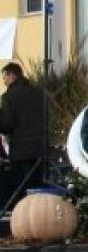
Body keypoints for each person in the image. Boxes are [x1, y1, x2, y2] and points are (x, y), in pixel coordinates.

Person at [0, 62, 46, 208]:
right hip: (41, 148)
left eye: (5, 77)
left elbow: (7, 124)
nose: (4, 81)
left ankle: (23, 216)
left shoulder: (9, 96)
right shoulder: (39, 93)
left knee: (22, 190)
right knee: (37, 188)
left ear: (12, 76)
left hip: (21, 151)